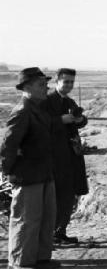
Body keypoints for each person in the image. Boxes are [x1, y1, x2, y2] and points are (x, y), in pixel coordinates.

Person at [0, 67, 61, 269]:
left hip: (44, 173)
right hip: (28, 177)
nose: (46, 88)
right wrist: (7, 171)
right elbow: (8, 145)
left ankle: (41, 259)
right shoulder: (22, 111)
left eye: (46, 84)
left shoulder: (38, 109)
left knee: (45, 219)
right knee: (27, 221)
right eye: (41, 85)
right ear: (27, 87)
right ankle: (20, 263)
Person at [44, 68, 88, 244]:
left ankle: (60, 231)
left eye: (71, 82)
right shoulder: (47, 101)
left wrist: (80, 120)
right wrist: (60, 120)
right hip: (55, 157)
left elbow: (80, 119)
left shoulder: (69, 100)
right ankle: (53, 233)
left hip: (71, 156)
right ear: (57, 81)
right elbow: (41, 124)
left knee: (69, 195)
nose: (69, 85)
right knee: (58, 197)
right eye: (66, 82)